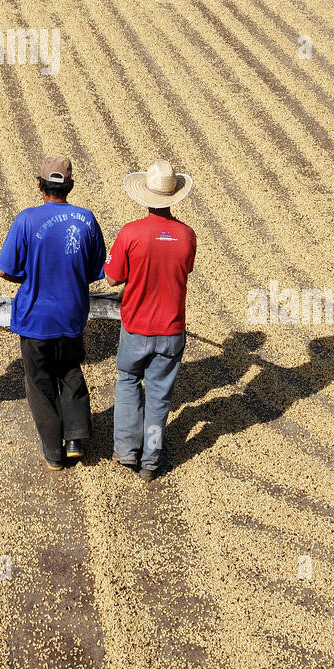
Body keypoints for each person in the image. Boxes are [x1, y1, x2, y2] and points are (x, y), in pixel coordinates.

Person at [0, 155, 107, 471]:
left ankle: (54, 451)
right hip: (72, 314)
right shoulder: (86, 219)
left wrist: (31, 274)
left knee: (40, 382)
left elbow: (5, 271)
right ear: (70, 186)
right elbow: (95, 268)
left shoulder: (27, 220)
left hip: (35, 318)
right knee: (70, 371)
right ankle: (75, 439)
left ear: (39, 186)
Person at [104, 159, 196, 477]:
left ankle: (127, 450)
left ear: (145, 196)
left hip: (136, 327)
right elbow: (184, 270)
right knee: (159, 396)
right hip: (171, 330)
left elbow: (113, 279)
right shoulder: (187, 236)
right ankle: (152, 458)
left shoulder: (131, 233)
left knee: (129, 382)